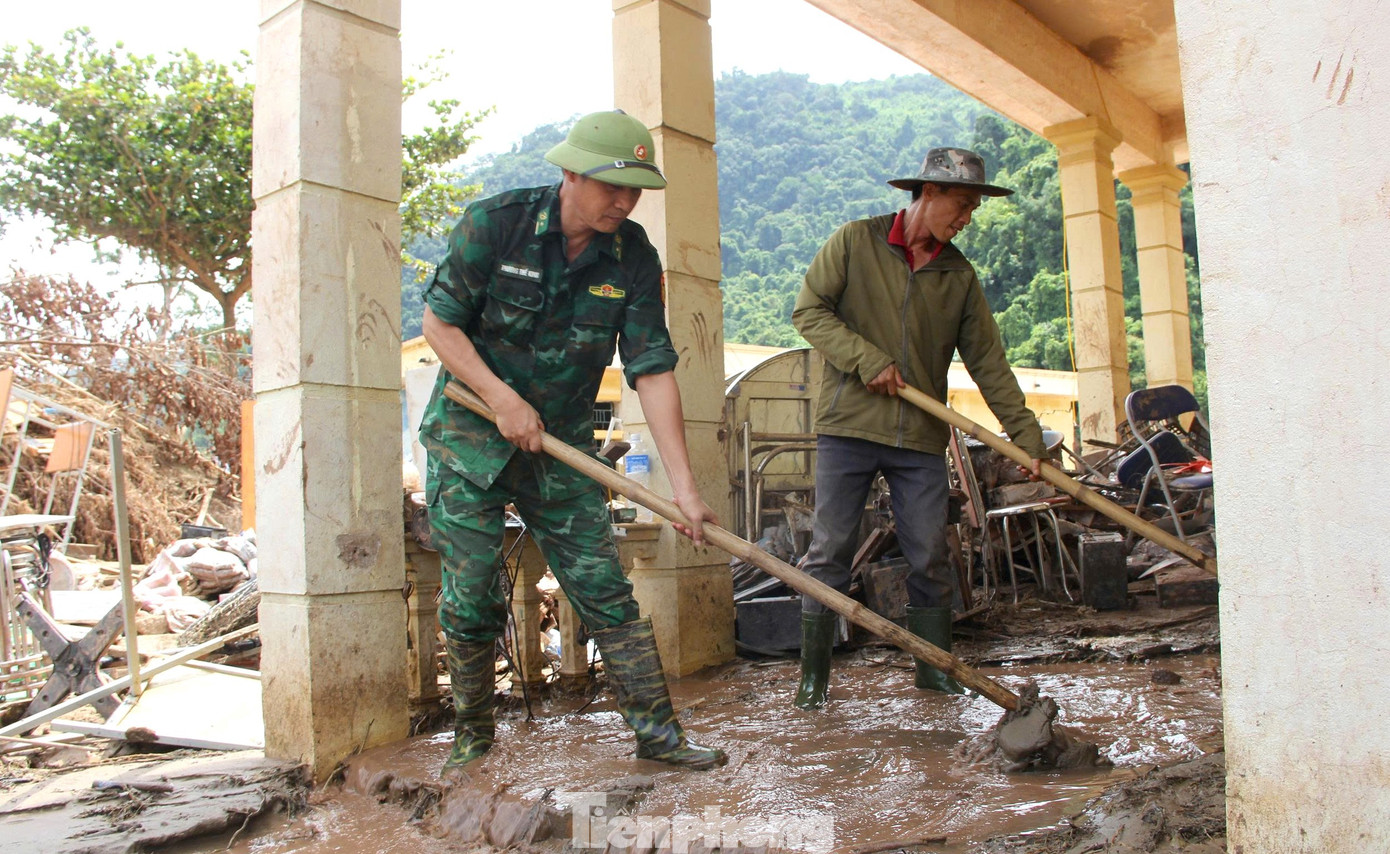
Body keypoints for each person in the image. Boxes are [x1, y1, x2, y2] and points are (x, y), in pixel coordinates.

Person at [419, 110, 726, 776]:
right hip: (471, 436)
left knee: (603, 589)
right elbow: (439, 325)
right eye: (611, 185)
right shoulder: (495, 225)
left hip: (559, 445)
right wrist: (503, 400)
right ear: (569, 172)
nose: (623, 201)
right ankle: (471, 738)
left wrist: (684, 488)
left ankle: (659, 736)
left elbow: (652, 368)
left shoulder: (633, 256)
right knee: (472, 595)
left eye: (635, 190)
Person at [790, 147, 1047, 708]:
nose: (966, 219)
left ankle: (932, 670)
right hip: (850, 426)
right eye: (960, 205)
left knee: (930, 551)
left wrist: (1027, 442)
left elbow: (990, 364)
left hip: (921, 436)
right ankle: (814, 680)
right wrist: (866, 358)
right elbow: (809, 312)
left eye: (973, 209)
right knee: (830, 549)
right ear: (927, 193)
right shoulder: (856, 242)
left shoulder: (959, 275)